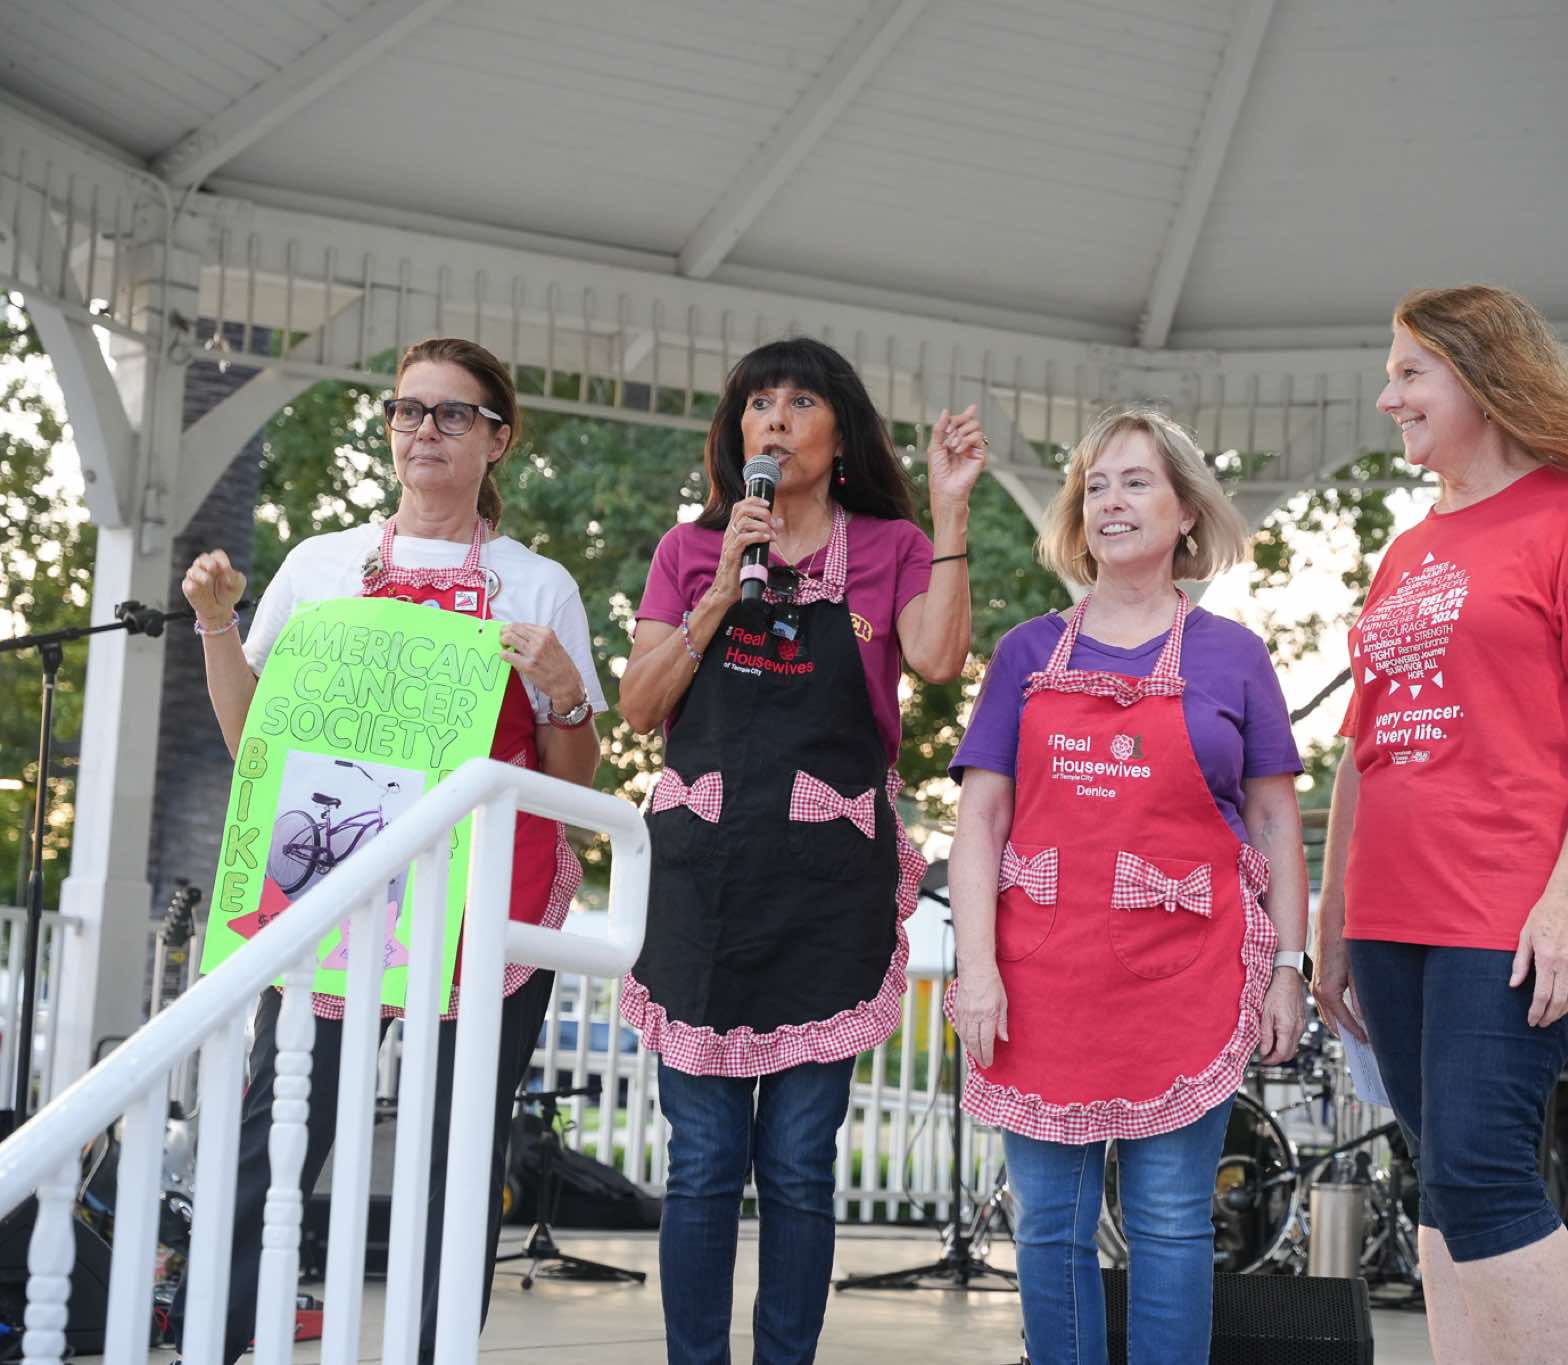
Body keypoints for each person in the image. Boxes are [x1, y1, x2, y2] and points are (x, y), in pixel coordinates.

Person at [175, 337, 607, 1361]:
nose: (424, 429)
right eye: (408, 409)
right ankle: (215, 1337)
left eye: (453, 413)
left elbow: (572, 781)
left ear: (497, 440)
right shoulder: (320, 565)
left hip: (486, 900)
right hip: (337, 890)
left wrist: (563, 691)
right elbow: (252, 743)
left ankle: (429, 1349)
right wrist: (217, 626)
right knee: (277, 1127)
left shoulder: (536, 585)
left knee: (458, 1148)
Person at [1311, 285, 1568, 1365]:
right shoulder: (1406, 551)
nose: (1388, 399)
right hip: (1391, 913)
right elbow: (1362, 751)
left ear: (1482, 376)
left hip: (1511, 905)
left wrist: (1566, 903)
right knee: (1443, 1174)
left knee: (1478, 1165)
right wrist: (1332, 920)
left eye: (1409, 374)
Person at [616, 337, 984, 1364]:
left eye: (800, 402)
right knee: (700, 1163)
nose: (774, 419)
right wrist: (721, 588)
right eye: (758, 403)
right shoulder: (689, 550)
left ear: (841, 433)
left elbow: (938, 658)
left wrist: (950, 511)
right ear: (736, 432)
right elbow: (639, 705)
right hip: (700, 885)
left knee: (796, 1165)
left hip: (827, 889)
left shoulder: (893, 546)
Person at [948, 405, 1311, 1365]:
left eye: (1136, 481)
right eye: (1095, 485)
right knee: (1048, 1227)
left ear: (1186, 511)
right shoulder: (1027, 653)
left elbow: (1274, 821)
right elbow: (979, 821)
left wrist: (1289, 965)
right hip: (1043, 980)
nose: (1110, 501)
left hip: (1188, 977)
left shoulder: (1234, 655)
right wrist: (977, 969)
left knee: (1171, 1223)